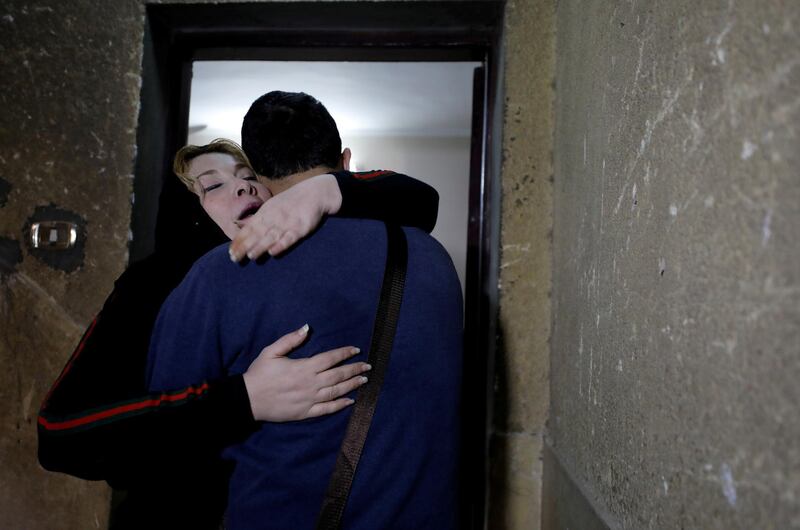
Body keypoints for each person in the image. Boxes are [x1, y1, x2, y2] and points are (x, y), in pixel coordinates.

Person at [38, 139, 440, 529]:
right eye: (213, 185)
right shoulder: (152, 286)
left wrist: (324, 190)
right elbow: (59, 433)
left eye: (249, 176)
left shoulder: (295, 267)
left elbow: (419, 200)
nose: (244, 186)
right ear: (188, 212)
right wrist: (245, 398)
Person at [147, 91, 463, 529]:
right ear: (347, 160)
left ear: (256, 177)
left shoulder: (225, 271)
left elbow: (165, 440)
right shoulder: (434, 259)